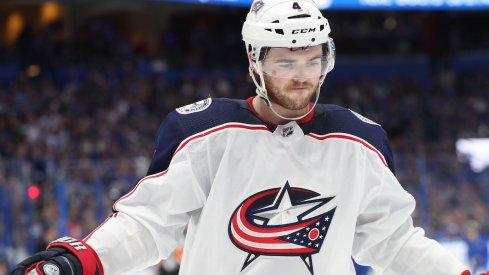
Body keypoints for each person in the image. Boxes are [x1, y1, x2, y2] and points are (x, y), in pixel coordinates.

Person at [11, 0, 489, 274]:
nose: (302, 76)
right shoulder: (204, 132)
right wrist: (84, 261)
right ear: (255, 63)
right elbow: (149, 224)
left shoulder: (359, 141)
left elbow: (393, 242)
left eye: (312, 61)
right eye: (285, 61)